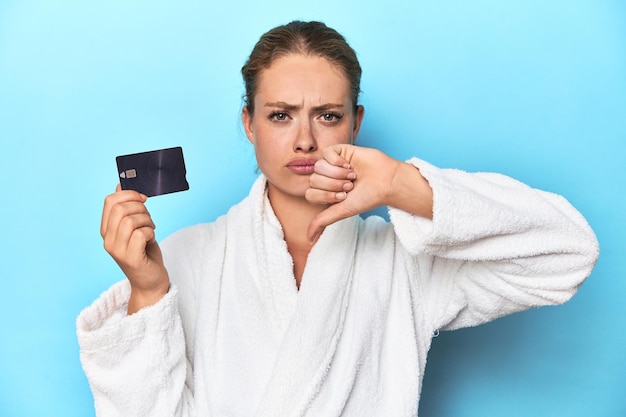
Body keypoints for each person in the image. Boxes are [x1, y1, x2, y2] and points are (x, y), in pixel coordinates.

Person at [77, 20, 599, 417]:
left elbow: (567, 252)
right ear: (249, 124)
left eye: (328, 115)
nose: (305, 139)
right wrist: (146, 292)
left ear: (356, 123)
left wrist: (402, 184)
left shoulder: (406, 261)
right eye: (280, 115)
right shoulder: (188, 257)